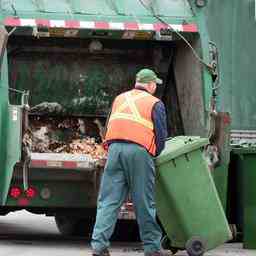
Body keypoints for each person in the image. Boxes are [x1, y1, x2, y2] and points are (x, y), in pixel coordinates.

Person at [91, 68, 168, 256]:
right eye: (154, 85)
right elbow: (161, 135)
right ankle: (152, 248)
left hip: (115, 150)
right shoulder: (155, 103)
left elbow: (110, 124)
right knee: (144, 202)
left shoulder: (120, 98)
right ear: (150, 85)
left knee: (108, 201)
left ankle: (99, 246)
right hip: (139, 153)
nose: (155, 88)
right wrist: (154, 153)